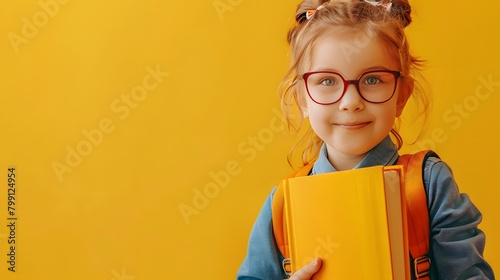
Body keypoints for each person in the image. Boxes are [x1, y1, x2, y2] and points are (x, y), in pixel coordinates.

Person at [237, 0, 495, 279]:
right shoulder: (283, 202)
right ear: (302, 98)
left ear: (401, 96)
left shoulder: (427, 184)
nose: (350, 102)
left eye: (372, 80)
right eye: (327, 81)